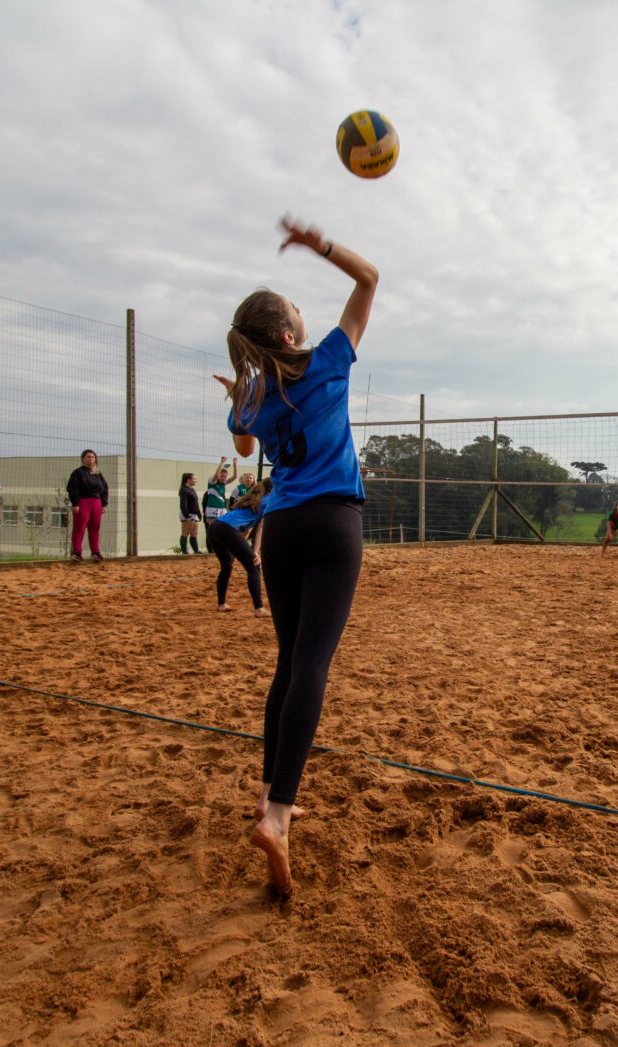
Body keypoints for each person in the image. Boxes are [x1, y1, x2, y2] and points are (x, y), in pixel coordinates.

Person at [214, 213, 377, 898]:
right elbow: (370, 278)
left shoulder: (249, 397)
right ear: (288, 334)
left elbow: (246, 445)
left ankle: (268, 794)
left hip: (279, 529)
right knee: (311, 664)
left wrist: (241, 397)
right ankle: (279, 816)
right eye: (297, 312)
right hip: (333, 522)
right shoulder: (330, 359)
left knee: (288, 662)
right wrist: (318, 245)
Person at [208, 478, 270, 616]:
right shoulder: (270, 502)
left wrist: (239, 550)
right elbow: (261, 528)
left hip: (215, 527)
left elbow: (247, 529)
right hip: (227, 529)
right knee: (254, 567)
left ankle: (222, 604)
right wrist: (255, 552)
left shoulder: (256, 499)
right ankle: (259, 609)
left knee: (227, 565)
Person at [66, 449, 109, 562]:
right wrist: (75, 503)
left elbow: (104, 488)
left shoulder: (96, 472)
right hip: (83, 502)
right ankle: (77, 553)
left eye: (93, 457)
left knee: (95, 528)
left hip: (96, 502)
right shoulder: (78, 473)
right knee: (79, 528)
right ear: (83, 459)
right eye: (88, 457)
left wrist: (104, 504)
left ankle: (95, 553)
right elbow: (72, 488)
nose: (91, 459)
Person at [179, 472, 203, 554]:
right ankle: (184, 551)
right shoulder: (184, 490)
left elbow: (196, 502)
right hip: (188, 515)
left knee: (194, 534)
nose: (195, 481)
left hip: (194, 514)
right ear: (188, 480)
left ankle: (196, 550)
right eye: (194, 479)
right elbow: (183, 504)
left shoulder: (192, 490)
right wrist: (186, 515)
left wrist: (199, 514)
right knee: (185, 533)